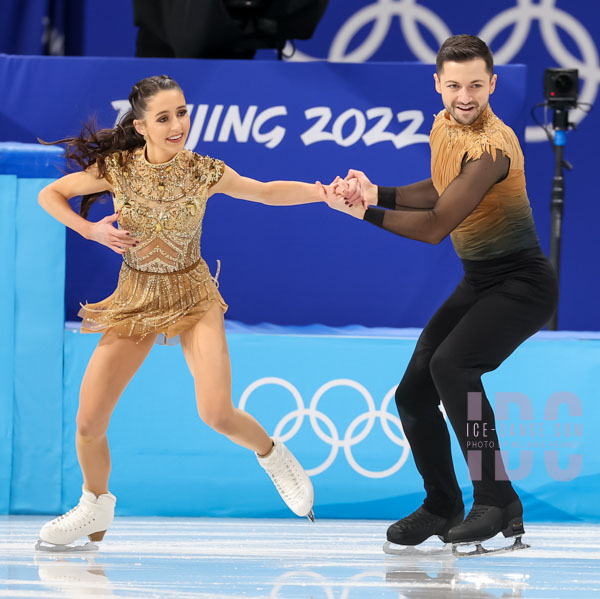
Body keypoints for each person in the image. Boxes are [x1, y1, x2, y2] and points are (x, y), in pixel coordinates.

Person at [36, 74, 318, 550]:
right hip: (136, 297)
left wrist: (322, 192)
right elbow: (50, 194)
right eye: (164, 117)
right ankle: (94, 505)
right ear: (141, 125)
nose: (176, 125)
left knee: (216, 412)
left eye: (182, 113)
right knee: (88, 422)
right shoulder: (118, 168)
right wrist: (90, 230)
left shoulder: (203, 170)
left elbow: (265, 190)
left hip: (192, 293)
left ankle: (273, 455)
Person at [318, 35, 558, 554]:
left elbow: (435, 225)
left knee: (452, 367)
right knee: (413, 394)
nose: (464, 96)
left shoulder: (493, 147)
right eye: (454, 85)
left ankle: (493, 498)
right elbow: (438, 188)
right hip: (480, 280)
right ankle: (442, 504)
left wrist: (364, 213)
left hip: (523, 284)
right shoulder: (443, 125)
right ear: (437, 85)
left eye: (476, 85)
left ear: (492, 84)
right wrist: (374, 191)